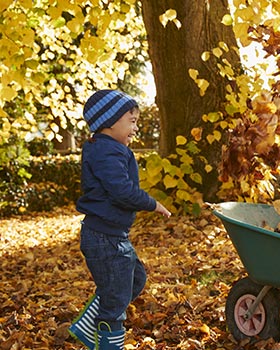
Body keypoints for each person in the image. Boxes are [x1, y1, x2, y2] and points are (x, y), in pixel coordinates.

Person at [69, 90, 172, 350]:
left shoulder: (110, 149)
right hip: (104, 238)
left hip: (113, 236)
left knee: (135, 279)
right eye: (132, 121)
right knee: (115, 300)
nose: (135, 128)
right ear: (111, 121)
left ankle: (88, 324)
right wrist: (152, 203)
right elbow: (122, 191)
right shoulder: (105, 152)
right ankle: (108, 342)